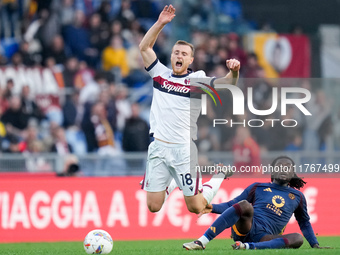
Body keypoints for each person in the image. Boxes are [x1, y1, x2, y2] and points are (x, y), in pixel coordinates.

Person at [139, 5, 240, 214]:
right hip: (158, 148)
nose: (179, 55)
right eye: (176, 52)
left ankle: (220, 174)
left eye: (184, 53)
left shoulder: (195, 81)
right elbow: (144, 48)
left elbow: (227, 83)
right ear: (172, 56)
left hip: (183, 151)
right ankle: (175, 182)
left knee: (197, 207)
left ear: (190, 60)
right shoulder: (160, 75)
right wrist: (160, 24)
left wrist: (235, 71)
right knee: (153, 206)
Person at [183, 156, 330, 250]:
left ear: (292, 174)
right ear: (273, 171)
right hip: (246, 228)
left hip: (266, 238)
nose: (283, 169)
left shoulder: (297, 196)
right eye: (280, 166)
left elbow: (304, 222)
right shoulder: (257, 187)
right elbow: (233, 205)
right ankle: (201, 242)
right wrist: (212, 207)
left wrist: (315, 245)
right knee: (245, 205)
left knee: (297, 238)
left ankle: (247, 247)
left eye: (287, 167)